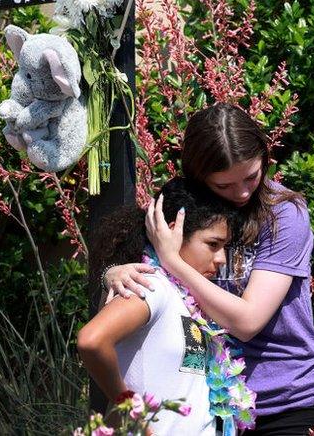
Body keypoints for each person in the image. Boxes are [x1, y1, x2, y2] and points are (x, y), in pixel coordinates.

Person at [105, 103, 314, 435]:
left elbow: (247, 321)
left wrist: (174, 263)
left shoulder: (284, 215)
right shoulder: (187, 207)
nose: (241, 192)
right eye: (224, 185)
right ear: (200, 177)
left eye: (252, 176)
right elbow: (139, 258)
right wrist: (112, 271)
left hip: (288, 401)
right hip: (212, 407)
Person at [77, 178, 233, 435]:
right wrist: (129, 408)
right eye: (213, 244)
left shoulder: (194, 300)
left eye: (224, 247)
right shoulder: (152, 286)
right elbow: (91, 341)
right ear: (175, 231)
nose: (221, 259)